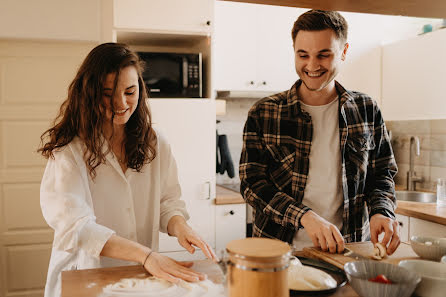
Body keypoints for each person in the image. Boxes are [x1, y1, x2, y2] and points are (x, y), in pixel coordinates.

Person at [38, 43, 217, 297]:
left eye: (130, 91)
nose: (120, 103)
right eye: (107, 93)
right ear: (89, 93)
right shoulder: (69, 151)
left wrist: (180, 227)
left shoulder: (155, 142)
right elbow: (77, 228)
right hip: (84, 277)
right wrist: (146, 256)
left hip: (139, 277)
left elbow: (168, 202)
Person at [240, 10, 400, 255]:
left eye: (323, 55)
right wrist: (304, 216)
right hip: (279, 251)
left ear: (344, 51)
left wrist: (382, 210)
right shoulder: (264, 112)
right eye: (303, 55)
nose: (312, 65)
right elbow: (252, 184)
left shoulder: (366, 109)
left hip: (350, 249)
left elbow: (382, 174)